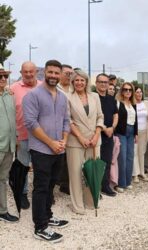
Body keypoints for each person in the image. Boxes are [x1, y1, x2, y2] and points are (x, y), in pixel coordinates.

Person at [22, 60, 69, 243]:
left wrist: (63, 141)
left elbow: (66, 121)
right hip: (41, 149)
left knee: (51, 185)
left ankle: (48, 215)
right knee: (41, 187)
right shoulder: (33, 96)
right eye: (50, 72)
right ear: (44, 72)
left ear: (60, 75)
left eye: (57, 73)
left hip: (59, 149)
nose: (53, 76)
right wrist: (51, 143)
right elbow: (31, 124)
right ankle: (40, 226)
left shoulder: (63, 97)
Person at [66, 70, 105, 214]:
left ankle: (91, 201)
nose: (79, 83)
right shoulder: (67, 97)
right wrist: (80, 138)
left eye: (82, 80)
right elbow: (68, 120)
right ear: (72, 82)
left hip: (94, 141)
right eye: (76, 80)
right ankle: (77, 205)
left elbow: (100, 116)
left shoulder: (94, 96)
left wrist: (96, 134)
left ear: (87, 82)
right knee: (75, 174)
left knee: (93, 172)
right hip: (76, 141)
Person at [10, 61, 42, 209]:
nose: (28, 74)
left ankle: (41, 193)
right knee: (22, 166)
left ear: (36, 71)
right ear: (21, 72)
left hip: (42, 137)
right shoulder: (13, 89)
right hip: (21, 136)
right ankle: (22, 194)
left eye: (31, 71)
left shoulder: (44, 87)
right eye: (25, 72)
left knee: (41, 167)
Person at [0, 64, 19, 223]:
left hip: (8, 146)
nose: (3, 79)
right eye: (0, 76)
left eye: (5, 76)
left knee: (2, 179)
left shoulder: (8, 94)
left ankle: (2, 210)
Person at [95, 73, 118, 197]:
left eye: (106, 82)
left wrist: (112, 128)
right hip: (97, 134)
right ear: (96, 83)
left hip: (109, 135)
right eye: (101, 82)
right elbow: (93, 117)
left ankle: (105, 186)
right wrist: (104, 129)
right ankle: (95, 187)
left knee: (107, 162)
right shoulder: (93, 98)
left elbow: (116, 114)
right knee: (96, 162)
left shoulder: (111, 98)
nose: (103, 84)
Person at [114, 82, 138, 193]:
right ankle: (121, 183)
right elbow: (115, 118)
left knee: (130, 157)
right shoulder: (118, 103)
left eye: (130, 90)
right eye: (125, 89)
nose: (128, 91)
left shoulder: (133, 104)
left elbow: (136, 120)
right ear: (122, 91)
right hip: (121, 132)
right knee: (122, 158)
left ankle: (128, 182)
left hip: (131, 132)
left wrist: (136, 133)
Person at [57, 64, 74, 196]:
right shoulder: (54, 88)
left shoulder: (73, 89)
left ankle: (66, 184)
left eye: (71, 74)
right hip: (58, 127)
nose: (69, 76)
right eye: (67, 73)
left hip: (73, 128)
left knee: (70, 158)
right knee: (57, 157)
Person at [132, 87, 148, 183]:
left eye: (140, 92)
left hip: (144, 132)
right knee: (135, 152)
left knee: (142, 152)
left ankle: (142, 173)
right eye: (137, 92)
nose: (139, 94)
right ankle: (135, 174)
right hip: (135, 133)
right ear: (134, 93)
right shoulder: (131, 104)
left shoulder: (147, 104)